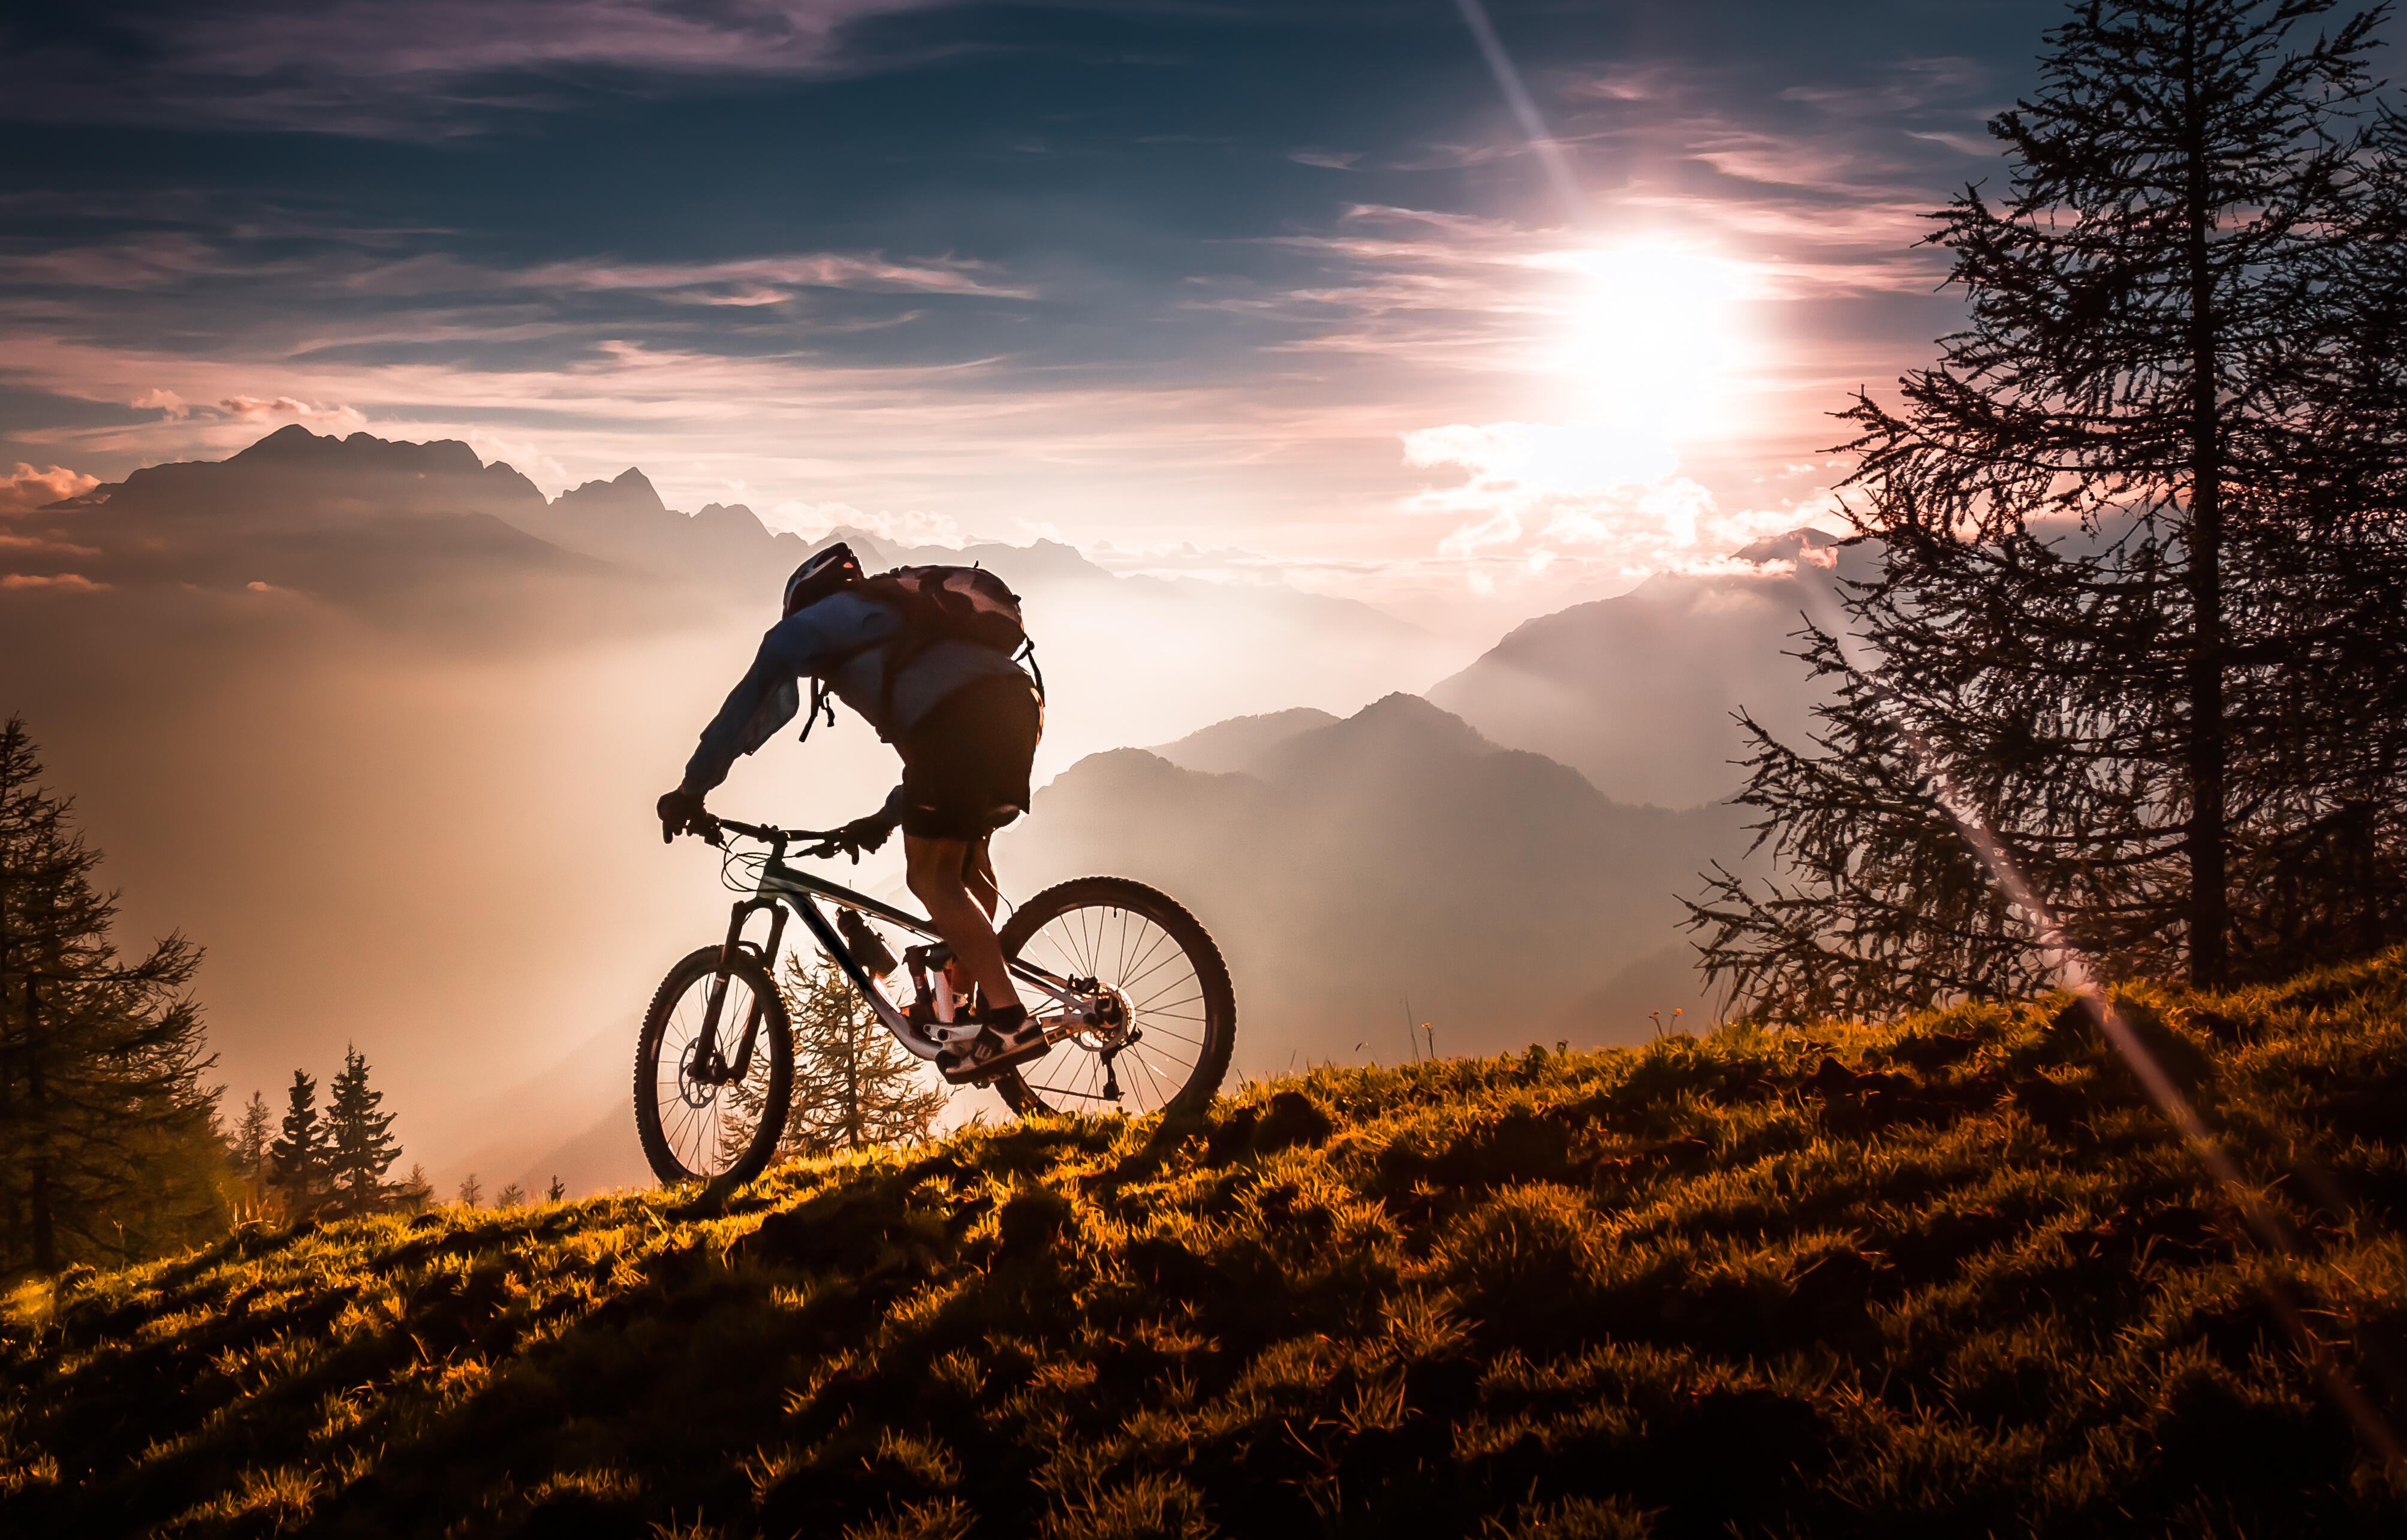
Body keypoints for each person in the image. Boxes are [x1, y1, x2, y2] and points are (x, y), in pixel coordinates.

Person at [655, 541, 1047, 1081]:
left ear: (801, 601)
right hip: (1018, 706)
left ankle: (1007, 1020)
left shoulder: (810, 626)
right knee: (966, 868)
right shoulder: (899, 625)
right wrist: (885, 818)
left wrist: (690, 789)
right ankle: (966, 1018)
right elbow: (929, 760)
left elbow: (746, 703)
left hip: (957, 724)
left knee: (930, 878)